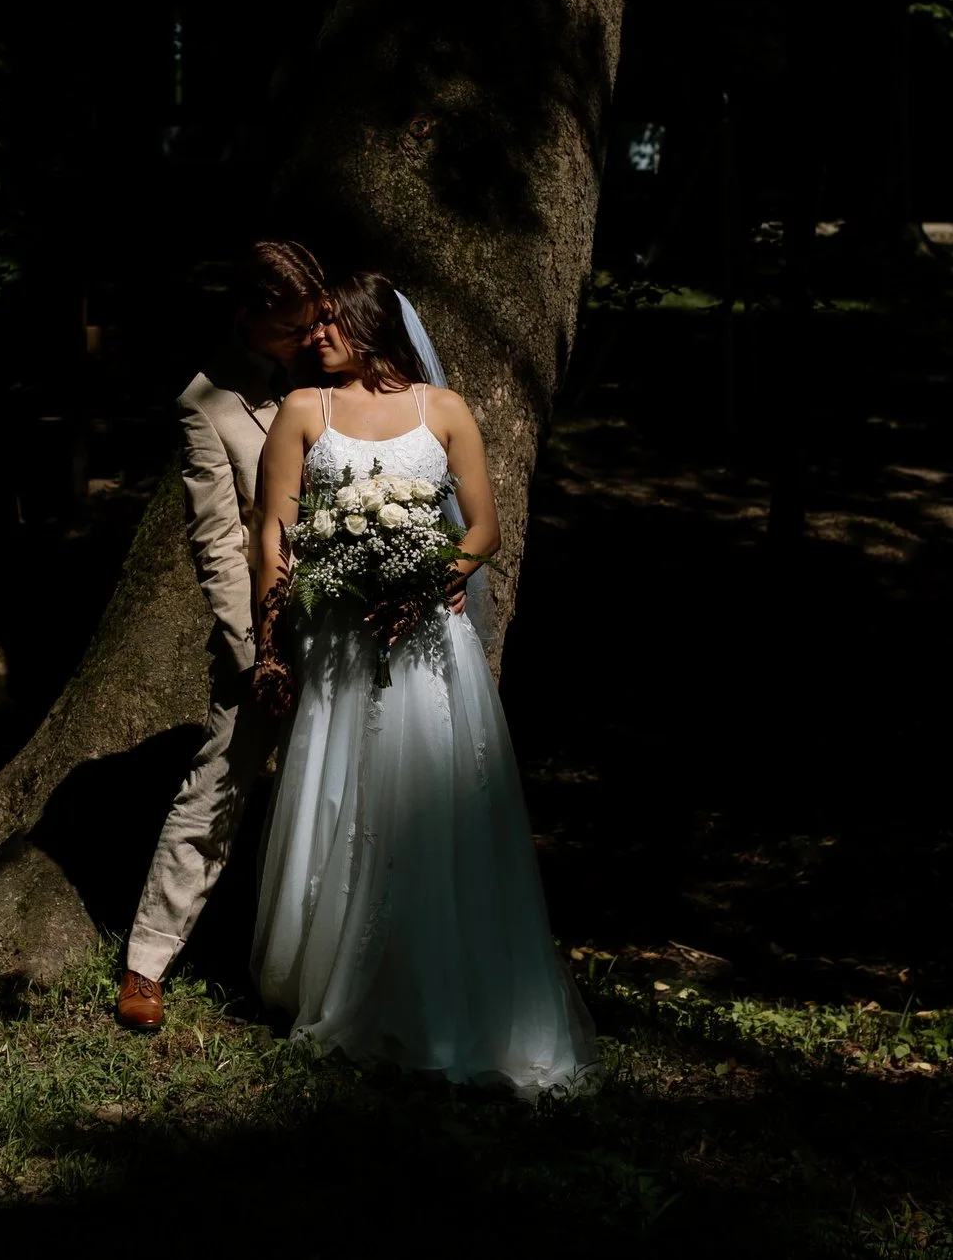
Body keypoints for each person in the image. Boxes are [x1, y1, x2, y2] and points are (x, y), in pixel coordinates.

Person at [245, 271, 598, 1095]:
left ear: (372, 325)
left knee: (431, 801)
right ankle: (329, 978)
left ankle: (437, 983)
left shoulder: (445, 410)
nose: (315, 336)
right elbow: (275, 531)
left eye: (330, 322)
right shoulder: (305, 410)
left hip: (427, 643)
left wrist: (433, 575)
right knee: (343, 796)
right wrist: (273, 642)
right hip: (335, 637)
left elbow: (485, 525)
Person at [115, 239, 330, 1032]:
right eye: (288, 327)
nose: (304, 339)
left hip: (346, 626)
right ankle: (147, 962)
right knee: (216, 790)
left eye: (311, 323)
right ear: (248, 316)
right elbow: (216, 543)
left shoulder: (326, 368)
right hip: (265, 629)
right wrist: (257, 650)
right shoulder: (204, 404)